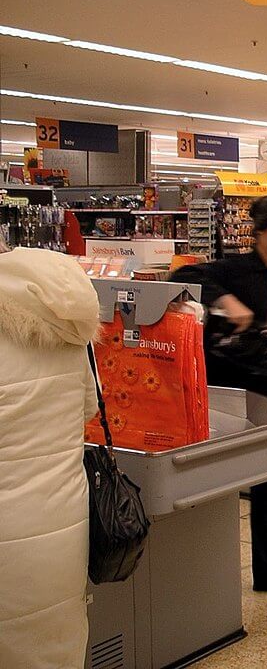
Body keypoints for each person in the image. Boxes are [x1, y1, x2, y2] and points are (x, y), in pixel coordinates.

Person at [172, 193, 267, 596]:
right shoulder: (234, 269)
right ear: (260, 231)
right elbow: (181, 278)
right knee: (223, 477)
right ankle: (202, 576)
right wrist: (226, 300)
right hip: (236, 387)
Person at [0, 246, 100, 668]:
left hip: (7, 531)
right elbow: (88, 408)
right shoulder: (71, 331)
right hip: (63, 517)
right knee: (57, 639)